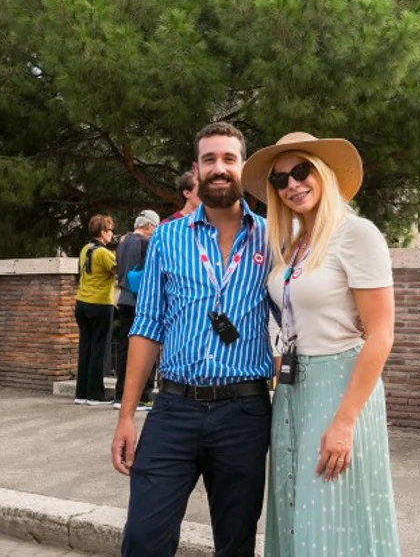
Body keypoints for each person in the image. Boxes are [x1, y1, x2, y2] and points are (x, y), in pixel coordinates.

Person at [111, 122, 273, 557]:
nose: (218, 168)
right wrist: (127, 416)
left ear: (244, 167)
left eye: (228, 159)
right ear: (196, 171)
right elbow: (147, 327)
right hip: (174, 408)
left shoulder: (272, 237)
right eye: (209, 159)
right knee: (144, 539)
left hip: (244, 411)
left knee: (235, 543)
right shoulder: (166, 237)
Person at [243, 131, 401, 557]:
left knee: (335, 509)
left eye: (301, 170)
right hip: (293, 389)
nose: (292, 185)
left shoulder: (357, 234)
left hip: (341, 385)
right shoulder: (296, 244)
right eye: (280, 180)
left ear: (324, 173)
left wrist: (345, 421)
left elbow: (381, 334)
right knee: (297, 508)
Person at [112, 209, 159, 411]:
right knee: (146, 347)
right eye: (155, 227)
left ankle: (120, 394)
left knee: (124, 348)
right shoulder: (146, 243)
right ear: (149, 225)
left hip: (123, 298)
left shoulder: (122, 242)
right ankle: (143, 396)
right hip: (140, 301)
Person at [74, 214, 118, 406]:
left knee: (86, 348)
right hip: (100, 304)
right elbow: (119, 269)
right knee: (99, 349)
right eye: (110, 231)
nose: (112, 234)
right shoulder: (103, 253)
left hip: (81, 303)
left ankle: (81, 393)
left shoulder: (85, 249)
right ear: (103, 232)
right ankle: (95, 395)